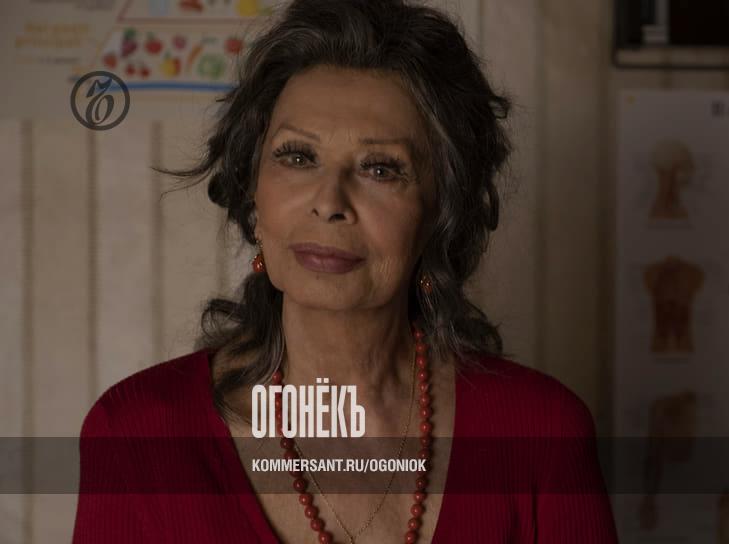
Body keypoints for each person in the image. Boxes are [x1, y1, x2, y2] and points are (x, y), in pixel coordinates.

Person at [72, 1, 619, 542]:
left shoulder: (543, 436)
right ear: (253, 192)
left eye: (380, 169)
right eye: (297, 157)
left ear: (442, 211)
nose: (330, 201)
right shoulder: (134, 436)